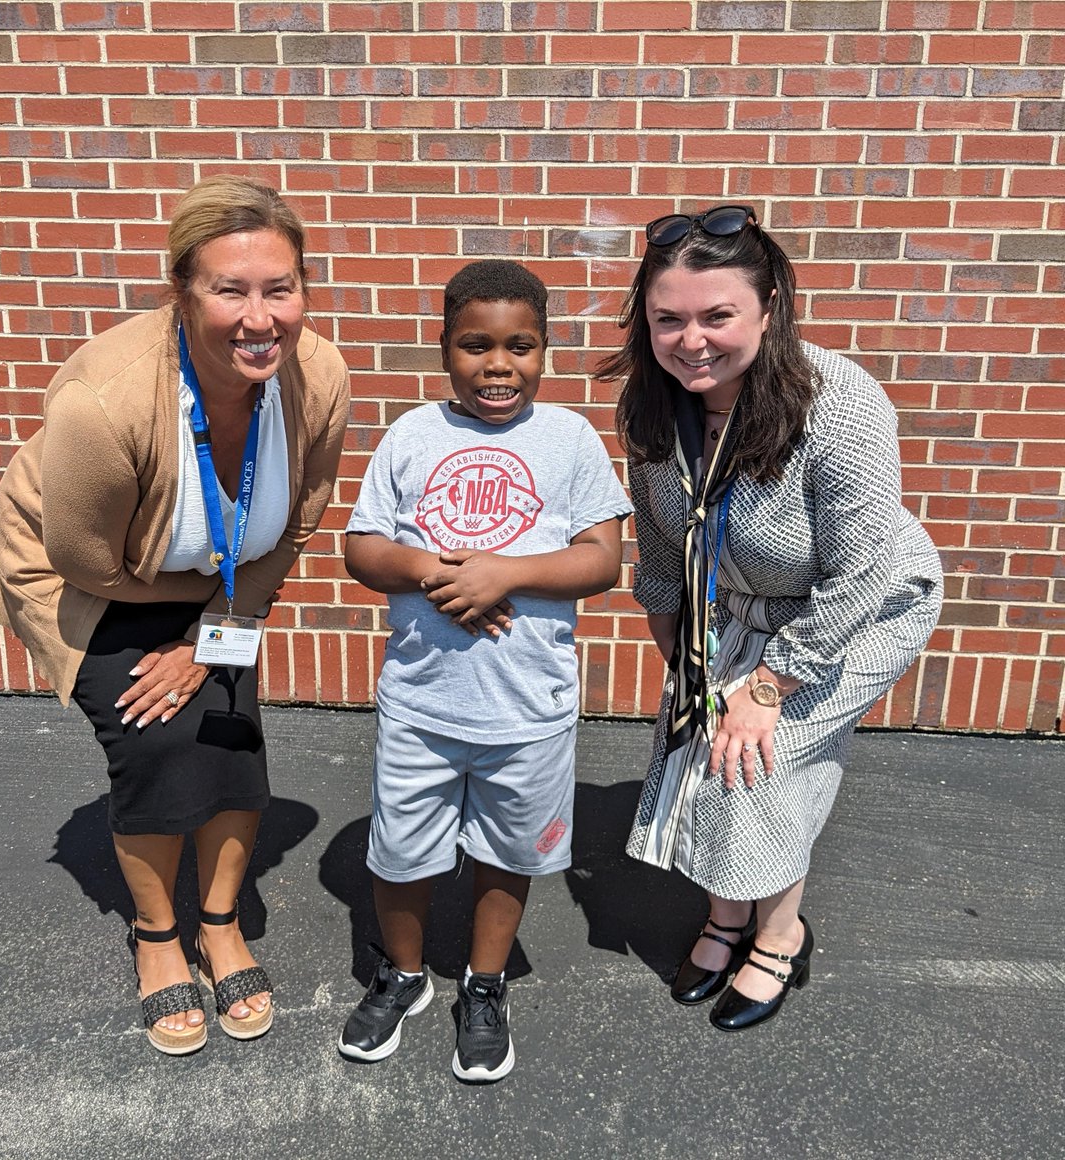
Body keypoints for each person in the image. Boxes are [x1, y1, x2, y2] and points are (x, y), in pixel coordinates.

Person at [0, 176, 350, 1055]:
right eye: (230, 289)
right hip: (92, 575)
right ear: (181, 293)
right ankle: (157, 938)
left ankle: (220, 922)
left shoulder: (319, 375)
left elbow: (297, 520)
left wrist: (212, 637)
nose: (260, 317)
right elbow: (87, 560)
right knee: (154, 740)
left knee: (229, 730)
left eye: (281, 288)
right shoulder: (106, 404)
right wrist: (193, 637)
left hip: (221, 574)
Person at [599, 205, 942, 1032]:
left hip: (865, 607)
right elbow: (660, 559)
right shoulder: (651, 413)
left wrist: (769, 684)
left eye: (718, 316)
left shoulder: (840, 402)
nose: (692, 341)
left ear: (767, 310)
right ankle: (725, 917)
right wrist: (685, 670)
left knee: (763, 759)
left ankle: (780, 935)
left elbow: (861, 570)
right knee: (703, 739)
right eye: (667, 319)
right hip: (748, 605)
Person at [337, 260, 630, 1081]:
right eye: (476, 345)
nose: (498, 365)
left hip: (527, 711)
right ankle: (401, 976)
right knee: (399, 852)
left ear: (543, 350)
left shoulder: (569, 438)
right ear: (444, 350)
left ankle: (486, 982)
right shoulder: (412, 434)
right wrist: (436, 570)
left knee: (510, 852)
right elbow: (362, 548)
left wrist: (502, 573)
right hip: (423, 704)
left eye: (520, 346)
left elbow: (602, 560)